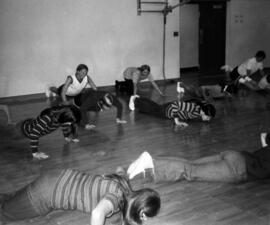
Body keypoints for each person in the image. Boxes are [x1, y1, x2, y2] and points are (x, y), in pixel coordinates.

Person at [0, 169, 161, 225]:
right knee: (5, 213)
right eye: (147, 217)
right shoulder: (117, 199)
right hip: (48, 193)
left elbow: (120, 171)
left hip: (59, 176)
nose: (146, 221)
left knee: (12, 198)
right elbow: (97, 213)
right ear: (141, 212)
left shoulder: (124, 186)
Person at [126, 132, 270, 183]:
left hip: (235, 155)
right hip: (236, 170)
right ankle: (150, 164)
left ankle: (150, 160)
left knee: (191, 163)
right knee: (190, 172)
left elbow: (265, 136)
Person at [128, 94, 216, 127]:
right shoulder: (194, 108)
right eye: (208, 117)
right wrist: (177, 122)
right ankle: (135, 100)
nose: (208, 119)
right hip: (168, 110)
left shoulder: (198, 113)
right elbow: (175, 106)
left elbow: (186, 115)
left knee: (153, 108)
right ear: (204, 112)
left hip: (169, 112)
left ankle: (138, 99)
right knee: (153, 109)